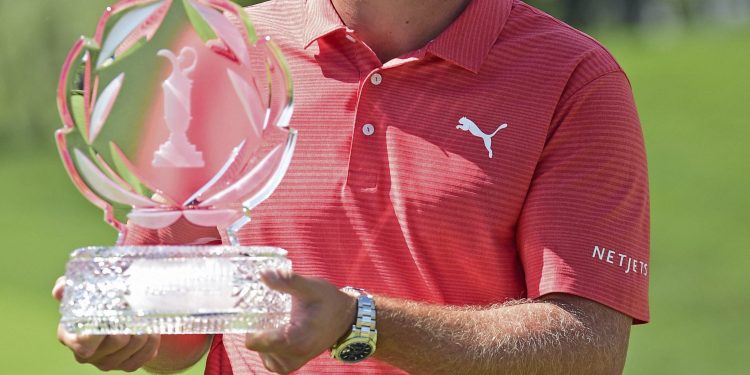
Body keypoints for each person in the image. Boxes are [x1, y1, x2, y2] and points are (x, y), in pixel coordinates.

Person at [55, 0, 650, 374]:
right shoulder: (229, 53)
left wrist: (358, 322)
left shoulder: (574, 79)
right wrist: (130, 330)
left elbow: (587, 350)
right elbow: (182, 333)